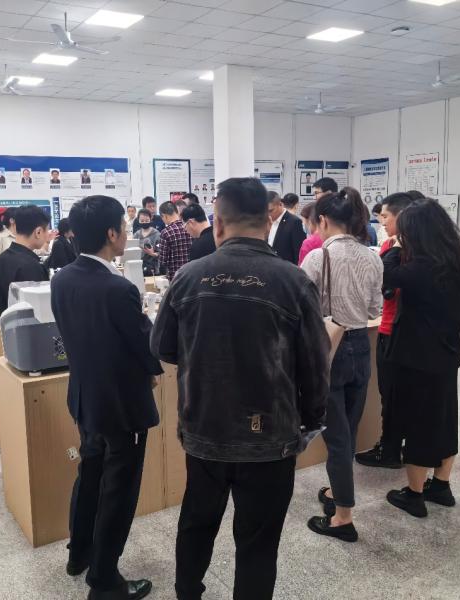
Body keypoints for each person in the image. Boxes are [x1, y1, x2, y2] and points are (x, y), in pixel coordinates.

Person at [150, 177, 329, 600]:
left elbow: (162, 347)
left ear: (217, 223)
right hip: (271, 435)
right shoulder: (293, 281)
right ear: (268, 222)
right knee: (259, 541)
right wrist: (310, 420)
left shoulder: (188, 277)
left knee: (196, 522)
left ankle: (187, 592)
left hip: (204, 427)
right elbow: (316, 364)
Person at [51, 195, 162, 600]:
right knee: (119, 490)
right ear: (112, 233)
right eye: (125, 227)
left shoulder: (62, 278)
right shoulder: (118, 288)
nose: (127, 233)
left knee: (90, 474)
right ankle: (104, 581)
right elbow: (144, 346)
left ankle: (79, 553)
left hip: (85, 397)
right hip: (121, 405)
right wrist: (152, 367)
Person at [381, 200, 460, 518]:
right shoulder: (459, 261)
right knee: (444, 420)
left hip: (416, 357)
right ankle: (441, 486)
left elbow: (386, 273)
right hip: (447, 354)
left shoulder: (419, 268)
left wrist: (395, 247)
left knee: (417, 424)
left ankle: (414, 494)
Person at [301, 191, 383, 542]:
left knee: (336, 437)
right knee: (347, 429)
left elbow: (302, 311)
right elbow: (374, 309)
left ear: (322, 220)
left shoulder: (317, 257)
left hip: (329, 349)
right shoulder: (372, 256)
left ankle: (343, 519)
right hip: (361, 347)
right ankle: (337, 492)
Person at [355, 192, 418, 470]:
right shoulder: (417, 248)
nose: (382, 222)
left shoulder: (400, 248)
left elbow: (382, 276)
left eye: (386, 216)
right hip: (402, 327)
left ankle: (390, 449)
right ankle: (399, 443)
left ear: (402, 218)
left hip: (393, 328)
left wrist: (393, 246)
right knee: (398, 392)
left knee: (391, 393)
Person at [0, 205, 50, 313]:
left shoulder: (1, 259)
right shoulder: (31, 266)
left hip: (6, 320)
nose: (47, 236)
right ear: (38, 232)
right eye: (47, 231)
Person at [153, 201, 191, 280]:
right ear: (177, 212)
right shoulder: (189, 227)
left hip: (176, 277)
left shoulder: (166, 232)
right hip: (192, 274)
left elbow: (163, 260)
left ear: (164, 216)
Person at [268, 190, 306, 264]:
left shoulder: (294, 222)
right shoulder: (267, 221)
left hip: (286, 268)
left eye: (271, 210)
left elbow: (299, 253)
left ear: (281, 204)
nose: (268, 214)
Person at [134, 209, 161, 276]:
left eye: (146, 220)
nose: (144, 222)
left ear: (150, 219)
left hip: (153, 268)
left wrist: (153, 254)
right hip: (138, 268)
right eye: (142, 221)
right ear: (138, 220)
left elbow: (161, 252)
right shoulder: (136, 235)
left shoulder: (157, 234)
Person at [298, 202, 322, 266]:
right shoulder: (329, 237)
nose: (303, 224)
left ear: (310, 220)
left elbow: (302, 268)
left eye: (303, 221)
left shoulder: (309, 242)